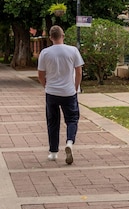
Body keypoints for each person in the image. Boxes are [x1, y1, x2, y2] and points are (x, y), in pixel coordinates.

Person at [37, 25, 84, 165]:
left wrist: (45, 85)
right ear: (63, 36)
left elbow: (40, 74)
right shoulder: (73, 50)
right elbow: (79, 71)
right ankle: (69, 141)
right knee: (72, 119)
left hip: (51, 91)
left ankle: (53, 152)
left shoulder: (45, 53)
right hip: (69, 92)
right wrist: (75, 87)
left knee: (52, 121)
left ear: (51, 37)